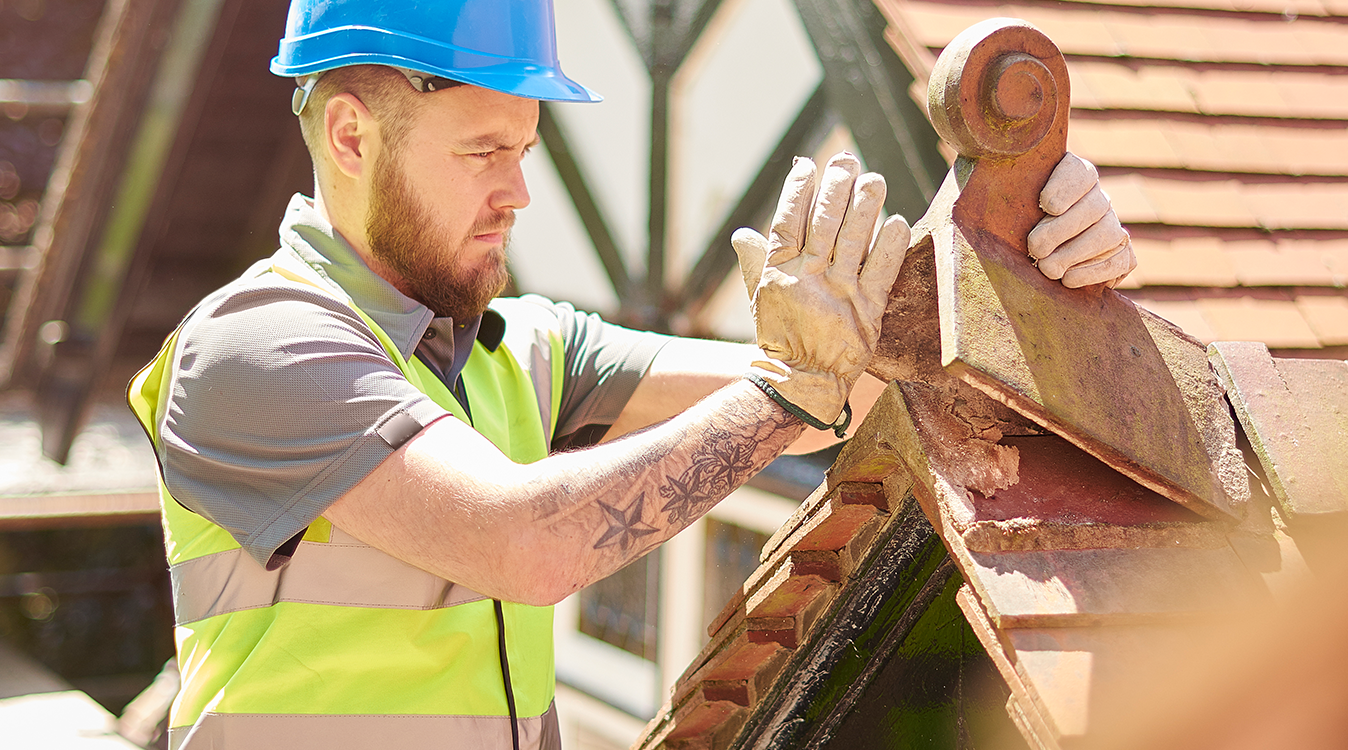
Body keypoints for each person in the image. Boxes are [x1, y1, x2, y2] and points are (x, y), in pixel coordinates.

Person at [125, 0, 1137, 747]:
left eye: (525, 149)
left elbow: (860, 387)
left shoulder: (525, 348)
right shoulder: (253, 347)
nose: (519, 191)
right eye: (483, 151)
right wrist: (790, 386)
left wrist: (1016, 253)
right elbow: (521, 541)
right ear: (351, 136)